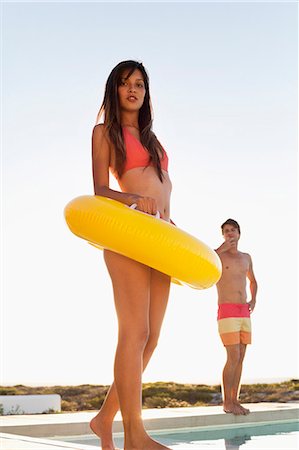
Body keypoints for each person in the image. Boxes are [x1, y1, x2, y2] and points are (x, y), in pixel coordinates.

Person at [89, 60, 172, 450]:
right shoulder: (105, 132)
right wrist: (134, 199)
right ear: (115, 89)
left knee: (152, 337)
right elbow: (99, 191)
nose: (133, 90)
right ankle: (133, 435)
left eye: (139, 83)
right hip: (130, 236)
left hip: (163, 241)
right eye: (125, 83)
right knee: (134, 331)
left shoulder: (152, 140)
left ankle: (104, 419)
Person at [215, 219, 258, 416]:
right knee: (232, 356)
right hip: (227, 310)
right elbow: (204, 261)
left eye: (233, 230)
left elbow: (253, 281)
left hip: (244, 311)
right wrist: (219, 248)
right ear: (222, 235)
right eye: (226, 231)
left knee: (241, 357)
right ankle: (227, 402)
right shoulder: (218, 256)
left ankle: (235, 401)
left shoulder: (246, 257)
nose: (230, 233)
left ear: (239, 233)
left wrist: (254, 299)